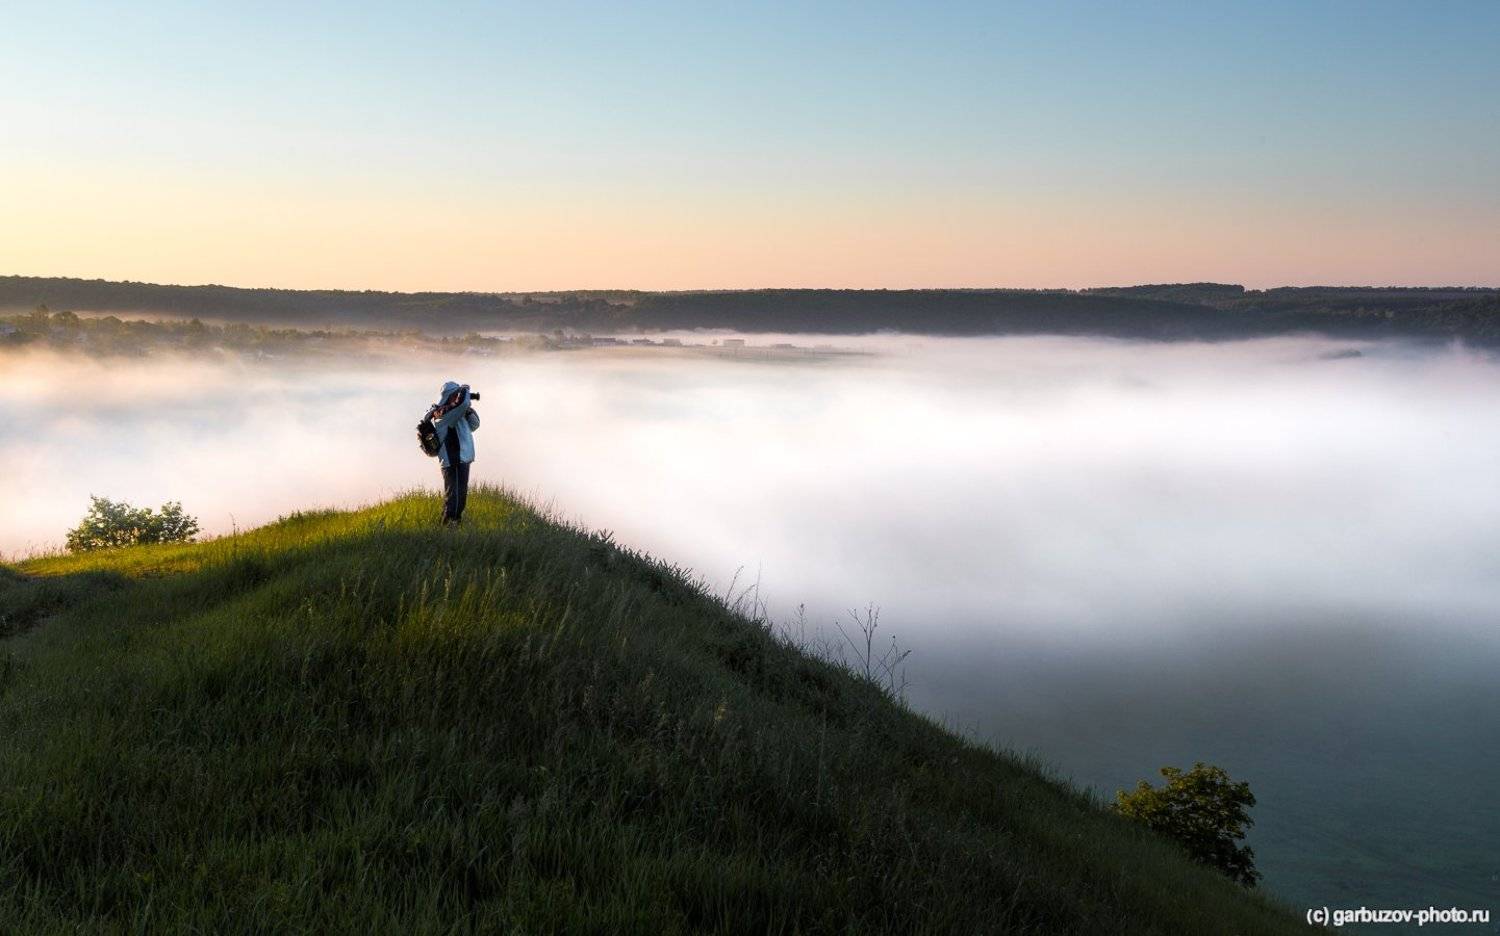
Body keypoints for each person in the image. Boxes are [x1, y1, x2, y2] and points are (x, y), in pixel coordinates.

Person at [427, 380, 479, 525]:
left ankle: (451, 525)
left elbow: (474, 425)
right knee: (454, 497)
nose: (458, 397)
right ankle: (450, 525)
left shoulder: (456, 413)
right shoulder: (442, 414)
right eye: (456, 394)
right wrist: (465, 391)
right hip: (453, 460)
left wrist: (467, 408)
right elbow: (461, 404)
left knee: (459, 496)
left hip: (463, 459)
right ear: (449, 396)